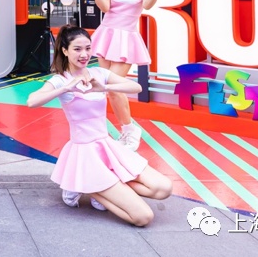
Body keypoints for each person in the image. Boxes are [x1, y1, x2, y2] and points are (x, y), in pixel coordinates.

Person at [27, 26, 172, 226]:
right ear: (65, 50)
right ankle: (86, 184)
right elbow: (32, 101)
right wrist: (66, 88)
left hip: (107, 147)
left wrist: (104, 87)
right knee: (143, 217)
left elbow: (136, 87)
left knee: (163, 188)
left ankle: (92, 184)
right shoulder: (60, 80)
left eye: (88, 48)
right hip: (85, 154)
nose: (84, 54)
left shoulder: (99, 73)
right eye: (77, 49)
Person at [80, 0, 173, 150]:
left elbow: (148, 5)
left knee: (113, 87)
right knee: (110, 88)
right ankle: (127, 131)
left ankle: (130, 130)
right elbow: (104, 7)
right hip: (107, 35)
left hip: (126, 39)